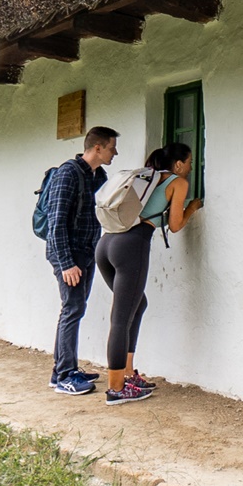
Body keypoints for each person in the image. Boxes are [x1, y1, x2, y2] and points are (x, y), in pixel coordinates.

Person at [95, 141, 201, 405]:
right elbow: (175, 225)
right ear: (178, 164)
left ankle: (127, 373)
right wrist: (192, 208)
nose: (190, 168)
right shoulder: (177, 182)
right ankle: (116, 389)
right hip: (131, 246)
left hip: (106, 244)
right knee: (121, 318)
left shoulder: (147, 177)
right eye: (189, 163)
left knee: (138, 304)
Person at [43, 126, 119, 395]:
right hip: (69, 254)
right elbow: (56, 222)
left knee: (76, 308)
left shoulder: (98, 176)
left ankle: (61, 371)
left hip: (87, 251)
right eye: (111, 148)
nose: (115, 153)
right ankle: (65, 376)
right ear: (97, 148)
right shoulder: (68, 173)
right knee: (72, 309)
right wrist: (66, 263)